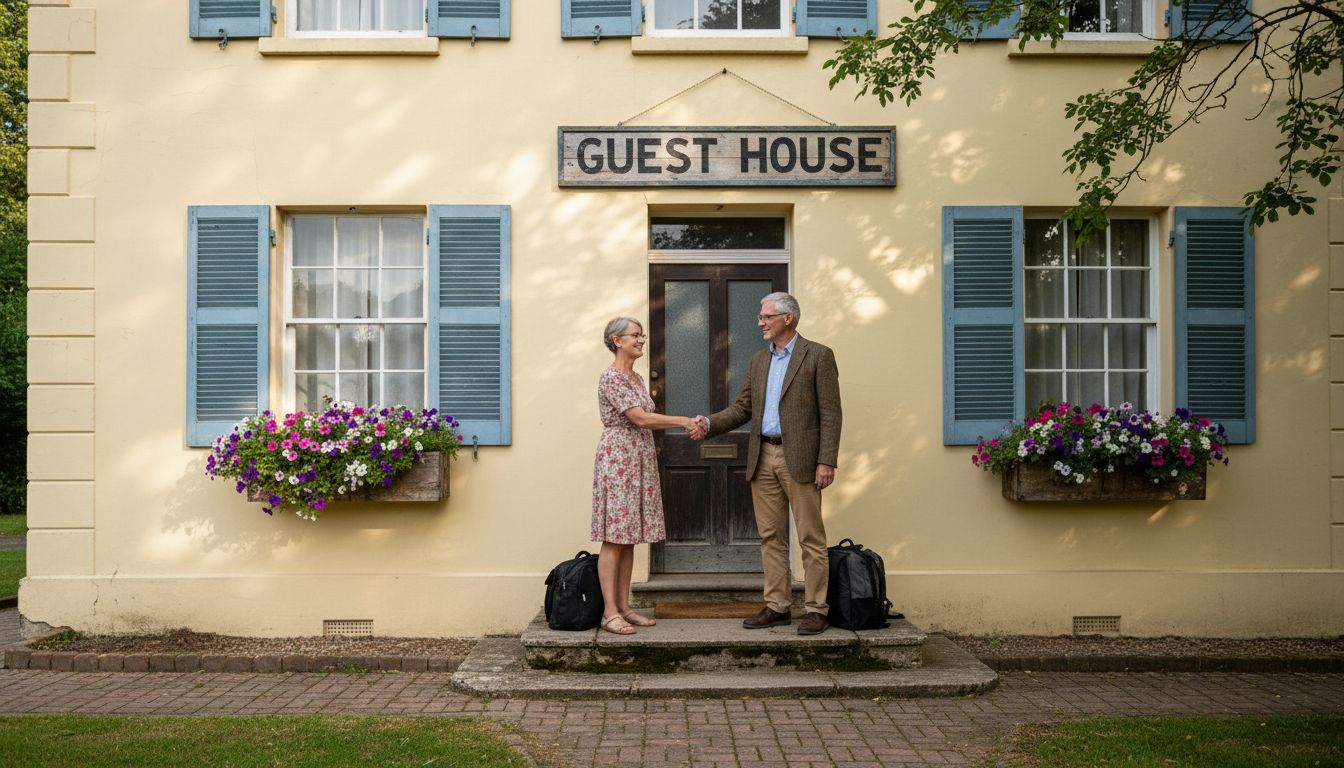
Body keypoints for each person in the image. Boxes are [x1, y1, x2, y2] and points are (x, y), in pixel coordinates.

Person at [692, 292, 842, 635]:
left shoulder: (818, 356)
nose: (760, 322)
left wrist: (826, 460)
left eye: (766, 317)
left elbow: (831, 414)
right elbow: (742, 408)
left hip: (801, 458)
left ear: (787, 318)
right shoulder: (759, 361)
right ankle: (777, 605)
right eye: (761, 317)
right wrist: (710, 424)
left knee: (810, 537)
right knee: (770, 536)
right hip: (762, 456)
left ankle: (817, 608)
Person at [592, 316, 706, 635]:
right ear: (617, 341)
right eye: (635, 336)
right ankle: (609, 612)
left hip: (639, 456)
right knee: (615, 537)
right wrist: (684, 421)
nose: (642, 340)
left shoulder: (638, 378)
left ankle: (625, 607)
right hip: (618, 458)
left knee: (630, 538)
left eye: (642, 335)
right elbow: (640, 419)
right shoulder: (612, 377)